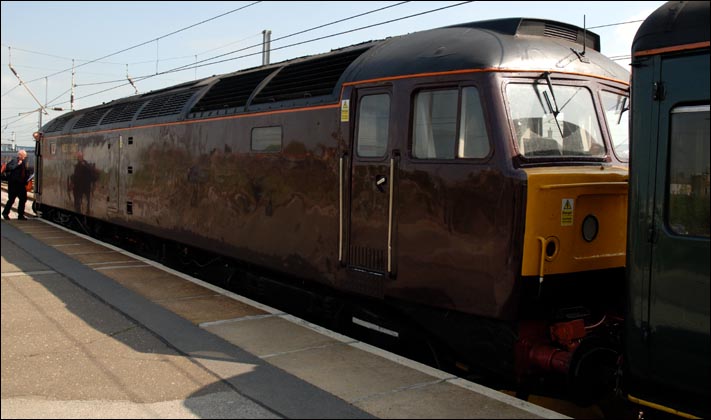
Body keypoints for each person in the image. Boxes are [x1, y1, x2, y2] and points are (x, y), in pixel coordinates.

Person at [2, 149, 31, 220]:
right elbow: (9, 168)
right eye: (24, 156)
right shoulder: (14, 161)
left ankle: (20, 215)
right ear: (20, 155)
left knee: (23, 199)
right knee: (11, 200)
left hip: (21, 185)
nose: (25, 158)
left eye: (25, 157)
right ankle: (5, 213)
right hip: (13, 185)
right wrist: (17, 165)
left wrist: (27, 178)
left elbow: (24, 172)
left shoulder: (23, 162)